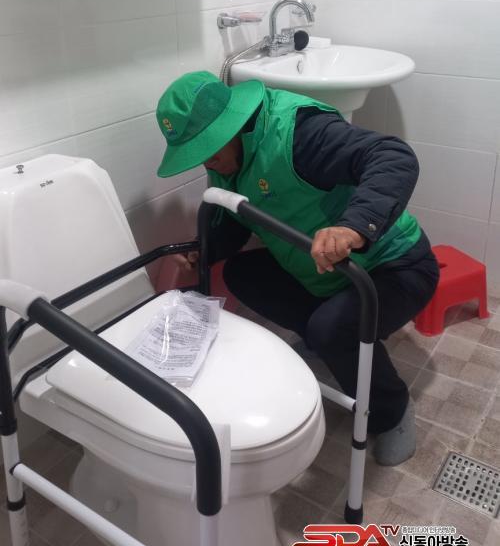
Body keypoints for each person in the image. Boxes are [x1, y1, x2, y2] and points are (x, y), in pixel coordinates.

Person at [155, 70, 439, 466]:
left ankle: (392, 413)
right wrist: (203, 251)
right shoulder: (227, 154)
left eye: (209, 148)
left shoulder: (300, 134)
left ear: (231, 124)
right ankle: (331, 338)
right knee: (242, 274)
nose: (206, 160)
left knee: (332, 329)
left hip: (394, 266)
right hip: (325, 273)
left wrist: (353, 227)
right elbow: (237, 220)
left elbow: (392, 156)